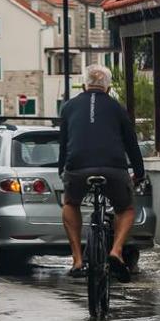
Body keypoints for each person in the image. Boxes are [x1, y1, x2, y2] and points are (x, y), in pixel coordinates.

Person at [58, 64, 145, 281]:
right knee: (126, 209)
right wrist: (139, 173)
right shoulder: (117, 108)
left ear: (84, 85)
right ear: (108, 87)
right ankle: (116, 251)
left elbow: (63, 144)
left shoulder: (68, 108)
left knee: (70, 204)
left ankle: (77, 261)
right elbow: (131, 144)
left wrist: (62, 170)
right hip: (114, 169)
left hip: (77, 169)